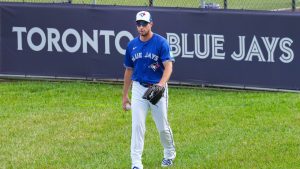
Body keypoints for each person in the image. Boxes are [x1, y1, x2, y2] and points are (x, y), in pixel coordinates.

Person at [122, 11, 176, 169]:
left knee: (162, 126)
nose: (141, 27)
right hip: (138, 89)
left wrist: (161, 84)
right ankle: (136, 163)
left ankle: (169, 153)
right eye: (138, 24)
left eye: (144, 23)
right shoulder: (132, 45)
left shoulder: (161, 42)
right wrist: (125, 95)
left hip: (157, 88)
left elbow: (168, 66)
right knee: (137, 125)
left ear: (151, 24)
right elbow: (128, 71)